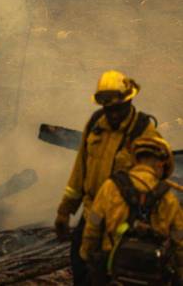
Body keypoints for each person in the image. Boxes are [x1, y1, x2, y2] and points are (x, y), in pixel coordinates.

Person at [55, 70, 160, 285]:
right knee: (80, 265)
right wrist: (65, 211)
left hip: (123, 221)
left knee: (112, 273)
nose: (112, 113)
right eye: (108, 108)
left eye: (118, 108)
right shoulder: (96, 126)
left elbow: (155, 184)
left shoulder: (144, 133)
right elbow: (80, 171)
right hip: (91, 213)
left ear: (128, 100)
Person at [80, 136, 183, 285]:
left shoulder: (110, 187)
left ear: (136, 159)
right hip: (153, 274)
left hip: (114, 271)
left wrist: (88, 254)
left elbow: (93, 224)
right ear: (160, 164)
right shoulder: (168, 198)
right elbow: (179, 242)